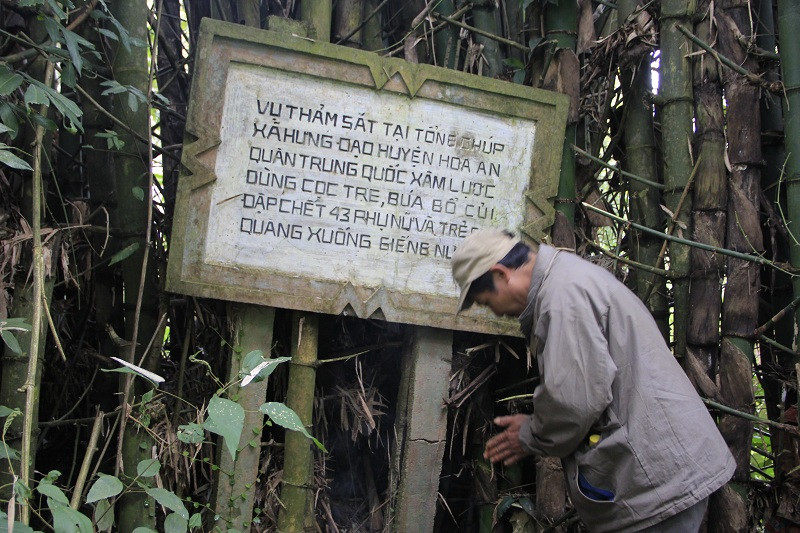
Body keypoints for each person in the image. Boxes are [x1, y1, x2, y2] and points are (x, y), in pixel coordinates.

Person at [451, 228, 735, 533]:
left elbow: (573, 401)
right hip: (665, 470)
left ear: (501, 274)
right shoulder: (568, 280)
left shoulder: (562, 298)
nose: (492, 310)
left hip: (656, 480)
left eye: (485, 300)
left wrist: (532, 433)